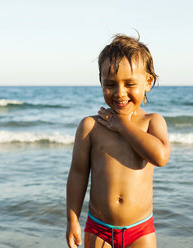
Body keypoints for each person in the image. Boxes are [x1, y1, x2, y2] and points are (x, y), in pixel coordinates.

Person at [66, 34, 170, 248]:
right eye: (110, 84)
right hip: (99, 228)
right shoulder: (91, 126)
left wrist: (122, 125)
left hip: (140, 229)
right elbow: (77, 174)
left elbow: (160, 157)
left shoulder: (153, 122)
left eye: (129, 84)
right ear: (101, 82)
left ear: (148, 82)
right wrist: (72, 219)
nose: (119, 93)